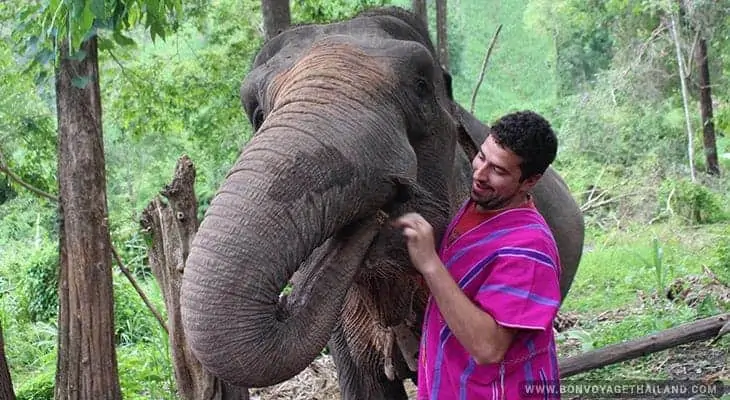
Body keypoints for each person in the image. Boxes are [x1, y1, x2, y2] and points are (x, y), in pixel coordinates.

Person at [393, 110, 562, 399]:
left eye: (498, 170)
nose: (480, 174)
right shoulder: (481, 204)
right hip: (453, 383)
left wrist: (431, 264)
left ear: (530, 181)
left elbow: (489, 347)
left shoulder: (529, 250)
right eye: (482, 156)